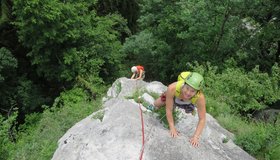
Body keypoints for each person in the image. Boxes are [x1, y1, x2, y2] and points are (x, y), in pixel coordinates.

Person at [148, 71, 206, 147]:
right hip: (176, 97)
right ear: (184, 84)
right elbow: (169, 109)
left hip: (188, 102)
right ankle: (156, 107)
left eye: (192, 91)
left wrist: (195, 137)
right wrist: (172, 127)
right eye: (187, 88)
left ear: (197, 91)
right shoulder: (172, 88)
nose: (188, 92)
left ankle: (190, 108)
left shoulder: (200, 97)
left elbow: (202, 119)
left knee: (188, 107)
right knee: (157, 103)